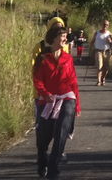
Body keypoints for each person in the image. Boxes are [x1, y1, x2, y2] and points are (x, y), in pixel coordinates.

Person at [33, 24, 80, 178]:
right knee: (43, 139)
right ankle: (42, 162)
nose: (65, 39)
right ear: (53, 39)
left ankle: (53, 166)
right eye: (62, 36)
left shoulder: (68, 58)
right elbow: (38, 80)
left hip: (67, 97)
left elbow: (73, 82)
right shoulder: (43, 59)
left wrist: (77, 105)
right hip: (47, 101)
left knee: (61, 131)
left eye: (66, 36)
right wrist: (46, 94)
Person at [91, 20, 112, 86]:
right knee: (99, 66)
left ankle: (103, 78)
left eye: (106, 25)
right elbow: (92, 41)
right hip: (98, 51)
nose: (105, 26)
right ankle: (98, 81)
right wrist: (91, 48)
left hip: (106, 51)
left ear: (108, 26)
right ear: (102, 25)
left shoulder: (109, 33)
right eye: (104, 24)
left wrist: (110, 41)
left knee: (106, 67)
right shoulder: (97, 33)